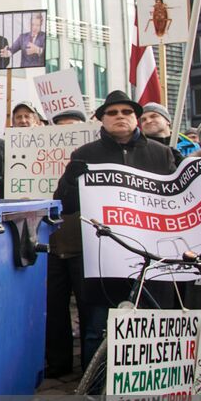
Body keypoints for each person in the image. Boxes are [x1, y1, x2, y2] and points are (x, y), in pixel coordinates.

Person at [54, 91, 178, 366]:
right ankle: (93, 390)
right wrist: (70, 183)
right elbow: (65, 204)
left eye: (126, 112)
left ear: (136, 118)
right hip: (104, 255)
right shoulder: (85, 155)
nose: (120, 117)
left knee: (153, 322)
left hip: (151, 254)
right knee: (98, 325)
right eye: (112, 113)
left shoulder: (162, 154)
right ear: (101, 120)